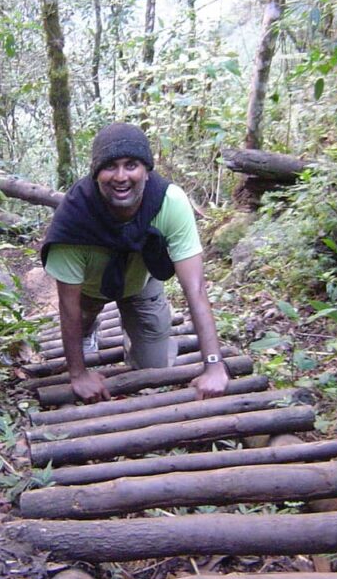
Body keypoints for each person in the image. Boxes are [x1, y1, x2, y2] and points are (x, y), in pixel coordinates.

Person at [40, 122, 230, 404]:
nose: (120, 176)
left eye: (131, 165)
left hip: (143, 279)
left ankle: (136, 333)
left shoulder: (170, 202)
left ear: (147, 171)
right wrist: (78, 375)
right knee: (81, 317)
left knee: (155, 364)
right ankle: (90, 327)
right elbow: (67, 306)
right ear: (96, 174)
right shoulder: (74, 219)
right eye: (110, 167)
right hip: (90, 288)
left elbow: (196, 288)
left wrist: (214, 364)